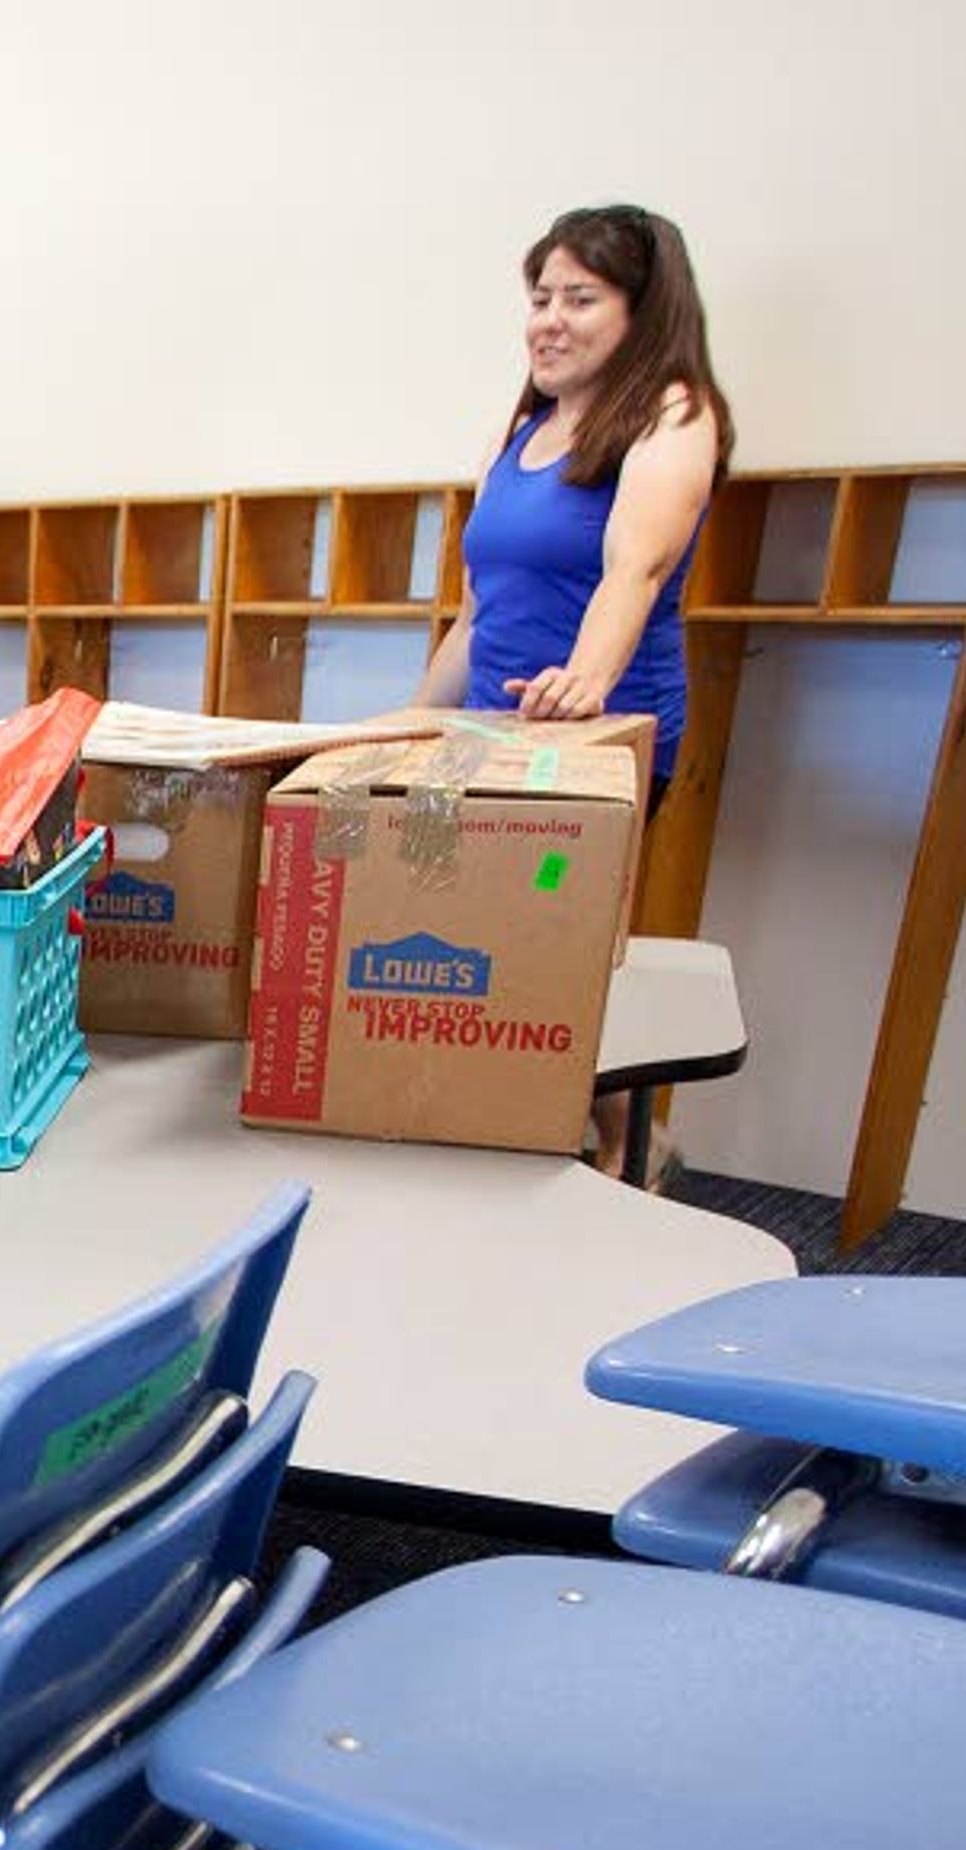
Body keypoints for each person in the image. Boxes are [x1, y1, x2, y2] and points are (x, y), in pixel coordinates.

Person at [414, 203, 734, 1178]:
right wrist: (403, 727)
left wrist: (585, 683)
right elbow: (477, 612)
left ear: (643, 311)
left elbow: (632, 572)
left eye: (580, 298)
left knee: (552, 957)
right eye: (540, 296)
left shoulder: (674, 414)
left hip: (595, 742)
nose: (548, 318)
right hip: (486, 733)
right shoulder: (524, 432)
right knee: (441, 923)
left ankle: (618, 1143)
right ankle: (512, 1128)